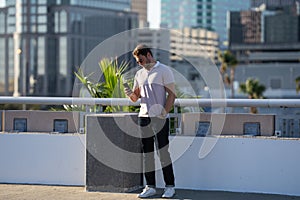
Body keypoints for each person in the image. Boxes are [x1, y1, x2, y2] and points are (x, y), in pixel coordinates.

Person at [124, 44, 176, 198]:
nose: (139, 63)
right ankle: (150, 186)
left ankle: (170, 186)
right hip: (144, 117)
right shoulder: (139, 74)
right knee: (147, 154)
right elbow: (135, 98)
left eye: (140, 60)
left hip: (159, 118)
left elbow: (172, 95)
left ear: (148, 55)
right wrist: (128, 91)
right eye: (137, 61)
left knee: (163, 153)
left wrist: (164, 112)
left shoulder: (164, 70)